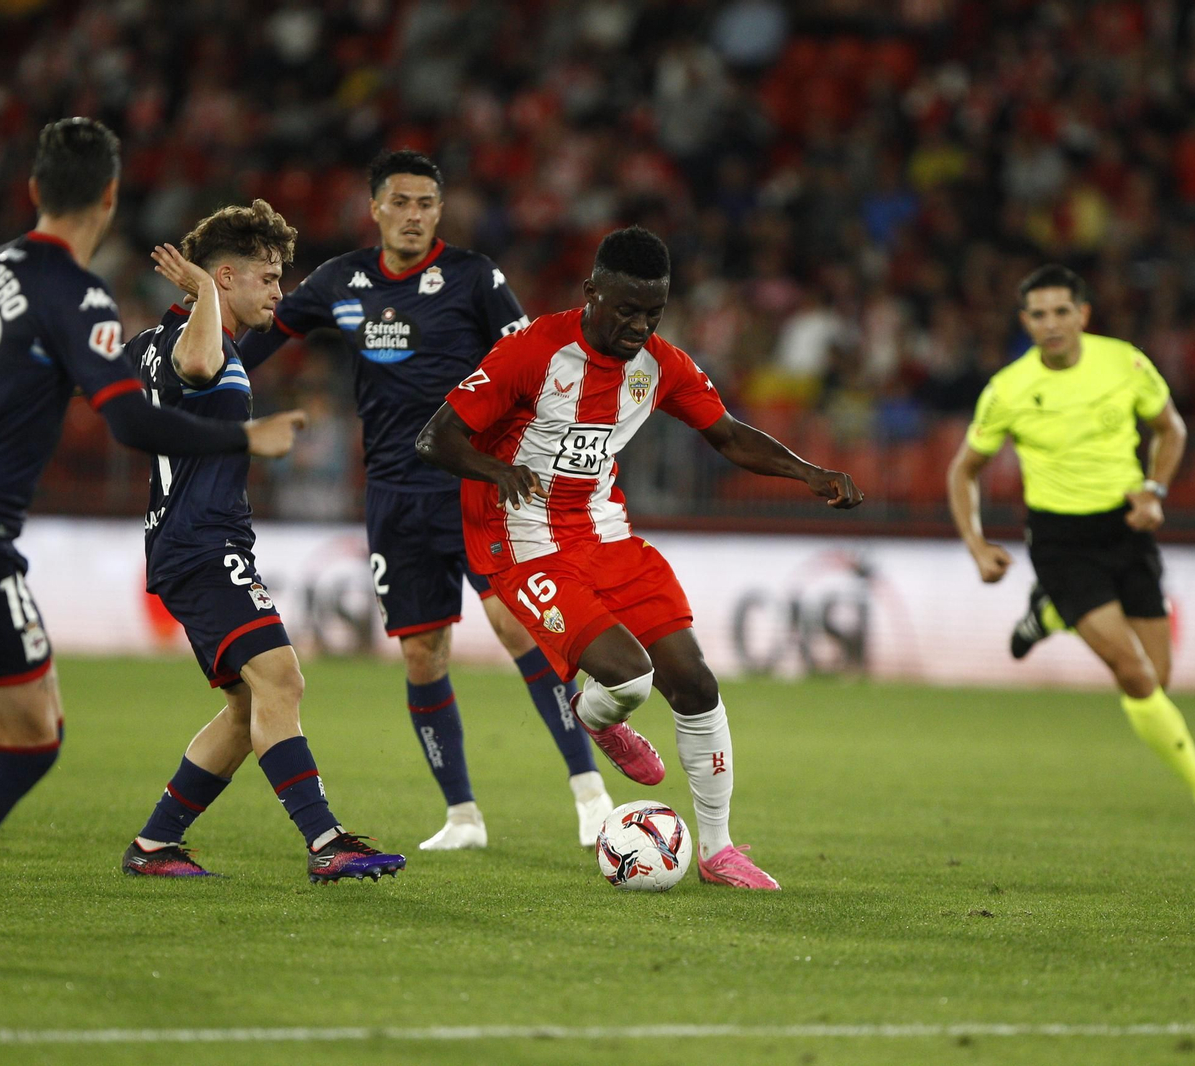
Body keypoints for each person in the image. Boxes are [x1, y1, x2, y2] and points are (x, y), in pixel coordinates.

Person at [0, 119, 307, 960]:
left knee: (9, 723)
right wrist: (241, 439)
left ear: (34, 190)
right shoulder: (74, 295)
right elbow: (125, 420)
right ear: (109, 198)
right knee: (31, 739)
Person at [415, 225, 863, 890]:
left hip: (606, 534)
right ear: (592, 293)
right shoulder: (534, 350)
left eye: (652, 313)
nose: (638, 326)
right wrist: (493, 470)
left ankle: (717, 851)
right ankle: (598, 715)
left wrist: (807, 472)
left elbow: (730, 436)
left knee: (696, 683)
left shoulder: (660, 364)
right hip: (523, 542)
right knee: (629, 679)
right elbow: (435, 438)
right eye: (625, 309)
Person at [238, 150, 612, 851]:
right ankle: (463, 816)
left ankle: (589, 794)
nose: (413, 216)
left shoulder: (474, 278)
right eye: (400, 202)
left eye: (426, 204)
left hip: (474, 487)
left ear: (440, 212)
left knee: (518, 630)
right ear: (374, 207)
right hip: (392, 497)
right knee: (423, 657)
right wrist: (192, 368)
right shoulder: (336, 281)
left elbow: (535, 361)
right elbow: (254, 343)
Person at [118, 202, 406, 882]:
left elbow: (85, 378)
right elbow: (197, 362)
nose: (280, 292)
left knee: (251, 702)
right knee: (282, 676)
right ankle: (326, 841)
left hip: (189, 544)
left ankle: (155, 845)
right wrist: (208, 298)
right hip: (201, 544)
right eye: (269, 278)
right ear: (225, 277)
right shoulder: (200, 343)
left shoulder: (148, 344)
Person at [946, 264, 1195, 825]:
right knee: (1135, 675)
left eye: (1061, 312)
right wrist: (976, 543)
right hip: (1061, 540)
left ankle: (1050, 614)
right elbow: (965, 471)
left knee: (1159, 678)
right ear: (1024, 321)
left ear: (1082, 314)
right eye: (1038, 314)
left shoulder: (1123, 362)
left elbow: (1171, 429)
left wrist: (1154, 491)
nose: (1051, 324)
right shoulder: (1007, 389)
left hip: (1126, 528)